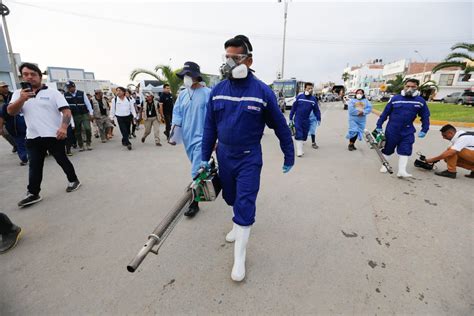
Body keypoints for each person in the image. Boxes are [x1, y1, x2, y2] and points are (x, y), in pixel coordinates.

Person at [201, 35, 294, 282]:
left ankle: (239, 258)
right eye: (226, 57)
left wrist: (289, 153)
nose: (229, 63)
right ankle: (236, 226)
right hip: (224, 156)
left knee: (244, 202)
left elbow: (280, 126)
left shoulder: (262, 92)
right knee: (230, 197)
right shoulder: (218, 91)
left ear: (248, 60)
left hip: (249, 158)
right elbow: (209, 126)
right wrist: (203, 157)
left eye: (235, 58)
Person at [7, 63, 81, 207]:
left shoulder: (53, 93)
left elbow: (66, 112)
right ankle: (33, 193)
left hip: (54, 135)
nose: (29, 77)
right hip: (33, 137)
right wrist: (22, 99)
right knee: (34, 166)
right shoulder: (18, 94)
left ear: (40, 76)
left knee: (62, 159)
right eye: (25, 74)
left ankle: (73, 180)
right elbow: (11, 112)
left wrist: (64, 128)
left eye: (32, 74)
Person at [170, 61, 211, 217]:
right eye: (184, 75)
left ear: (196, 76)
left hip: (203, 137)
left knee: (196, 171)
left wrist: (215, 139)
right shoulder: (182, 94)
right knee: (200, 167)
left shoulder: (208, 93)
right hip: (188, 136)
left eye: (188, 75)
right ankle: (212, 177)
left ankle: (194, 203)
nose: (186, 78)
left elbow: (215, 118)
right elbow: (177, 114)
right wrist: (174, 135)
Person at [376, 78, 430, 178]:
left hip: (408, 130)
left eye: (413, 87)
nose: (410, 88)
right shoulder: (395, 99)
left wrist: (424, 129)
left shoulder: (420, 101)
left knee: (405, 149)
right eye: (408, 86)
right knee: (388, 149)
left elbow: (425, 116)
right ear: (404, 86)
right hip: (392, 129)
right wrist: (379, 125)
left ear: (417, 88)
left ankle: (402, 171)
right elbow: (385, 113)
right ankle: (385, 165)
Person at [289, 82, 321, 157]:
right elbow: (293, 108)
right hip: (298, 118)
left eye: (311, 88)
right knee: (299, 134)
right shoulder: (299, 97)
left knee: (304, 136)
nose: (310, 90)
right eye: (308, 88)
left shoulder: (313, 99)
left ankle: (300, 144)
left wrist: (318, 118)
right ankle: (299, 151)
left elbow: (316, 110)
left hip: (306, 119)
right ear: (305, 88)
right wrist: (290, 117)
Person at [64, 81, 94, 151]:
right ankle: (81, 145)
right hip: (74, 115)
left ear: (74, 87)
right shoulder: (65, 95)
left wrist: (91, 113)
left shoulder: (81, 93)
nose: (68, 89)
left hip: (84, 114)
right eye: (67, 88)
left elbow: (88, 104)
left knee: (87, 128)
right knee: (77, 131)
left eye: (70, 87)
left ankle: (88, 143)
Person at [0, 81, 17, 153]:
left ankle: (20, 145)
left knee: (18, 132)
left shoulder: (13, 95)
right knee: (4, 133)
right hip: (2, 117)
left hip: (14, 116)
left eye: (6, 86)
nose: (6, 88)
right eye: (3, 87)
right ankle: (15, 145)